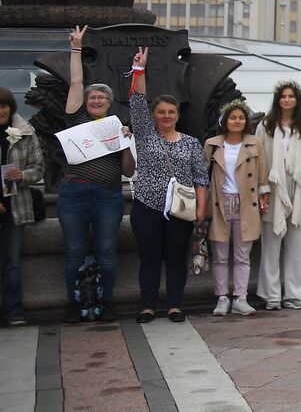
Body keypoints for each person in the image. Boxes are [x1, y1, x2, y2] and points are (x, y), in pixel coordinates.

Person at [126, 47, 208, 323]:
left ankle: (174, 304)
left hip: (180, 211)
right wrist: (139, 70)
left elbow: (200, 178)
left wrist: (201, 210)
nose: (166, 116)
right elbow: (137, 101)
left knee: (175, 259)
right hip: (147, 207)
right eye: (161, 112)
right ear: (154, 116)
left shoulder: (191, 143)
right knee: (149, 259)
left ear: (177, 115)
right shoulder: (146, 136)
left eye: (171, 112)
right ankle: (147, 305)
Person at [58, 25, 131, 323]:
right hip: (74, 192)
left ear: (110, 103)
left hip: (108, 195)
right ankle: (75, 305)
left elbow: (129, 171)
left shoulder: (117, 126)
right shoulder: (76, 119)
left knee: (106, 251)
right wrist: (76, 47)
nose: (96, 100)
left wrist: (126, 142)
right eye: (93, 98)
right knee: (74, 250)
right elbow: (76, 82)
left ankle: (106, 303)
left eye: (102, 98)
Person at [203, 100, 268, 316]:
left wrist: (264, 198)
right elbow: (204, 176)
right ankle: (222, 297)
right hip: (220, 203)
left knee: (243, 255)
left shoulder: (255, 143)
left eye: (241, 117)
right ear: (225, 121)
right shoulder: (212, 144)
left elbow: (262, 175)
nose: (237, 121)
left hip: (246, 205)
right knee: (220, 255)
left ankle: (241, 297)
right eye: (233, 117)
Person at [258, 81, 301, 310]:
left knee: (298, 243)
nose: (287, 100)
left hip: (299, 185)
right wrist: (262, 190)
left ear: (297, 100)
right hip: (274, 184)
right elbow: (260, 158)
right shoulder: (266, 125)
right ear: (277, 99)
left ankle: (294, 293)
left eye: (291, 96)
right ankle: (271, 294)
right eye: (283, 96)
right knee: (271, 241)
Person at [0, 88, 43, 325]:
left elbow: (38, 168)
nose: (1, 110)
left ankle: (14, 311)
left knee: (12, 261)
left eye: (4, 105)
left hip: (15, 206)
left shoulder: (25, 132)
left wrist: (21, 175)